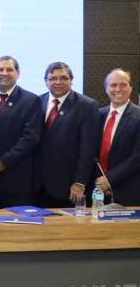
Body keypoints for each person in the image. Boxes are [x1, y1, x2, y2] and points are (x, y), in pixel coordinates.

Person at [36, 61, 98, 208]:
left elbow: (88, 149)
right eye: (53, 78)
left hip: (68, 186)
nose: (58, 82)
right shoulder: (37, 101)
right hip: (37, 184)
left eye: (63, 78)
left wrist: (79, 182)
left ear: (71, 81)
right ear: (46, 82)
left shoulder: (87, 105)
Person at [0, 56, 43, 208]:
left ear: (18, 73)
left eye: (9, 69)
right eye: (0, 69)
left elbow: (30, 138)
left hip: (15, 178)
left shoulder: (31, 100)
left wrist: (1, 163)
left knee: (15, 228)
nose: (4, 73)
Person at [93, 69, 140, 206]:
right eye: (113, 85)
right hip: (97, 191)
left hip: (128, 191)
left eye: (123, 84)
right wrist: (99, 181)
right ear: (106, 89)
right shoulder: (97, 115)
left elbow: (137, 157)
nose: (118, 89)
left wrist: (109, 180)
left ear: (130, 88)